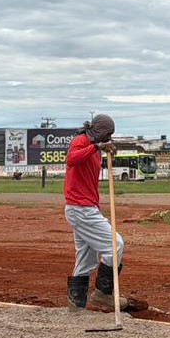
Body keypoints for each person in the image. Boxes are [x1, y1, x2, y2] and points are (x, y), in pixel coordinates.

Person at [64, 114, 129, 313]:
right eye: (108, 133)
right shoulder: (81, 141)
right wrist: (97, 147)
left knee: (86, 257)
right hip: (80, 208)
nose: (109, 137)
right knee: (115, 244)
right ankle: (103, 294)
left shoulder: (95, 148)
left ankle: (76, 305)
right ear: (100, 130)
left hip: (86, 207)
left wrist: (107, 150)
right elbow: (72, 159)